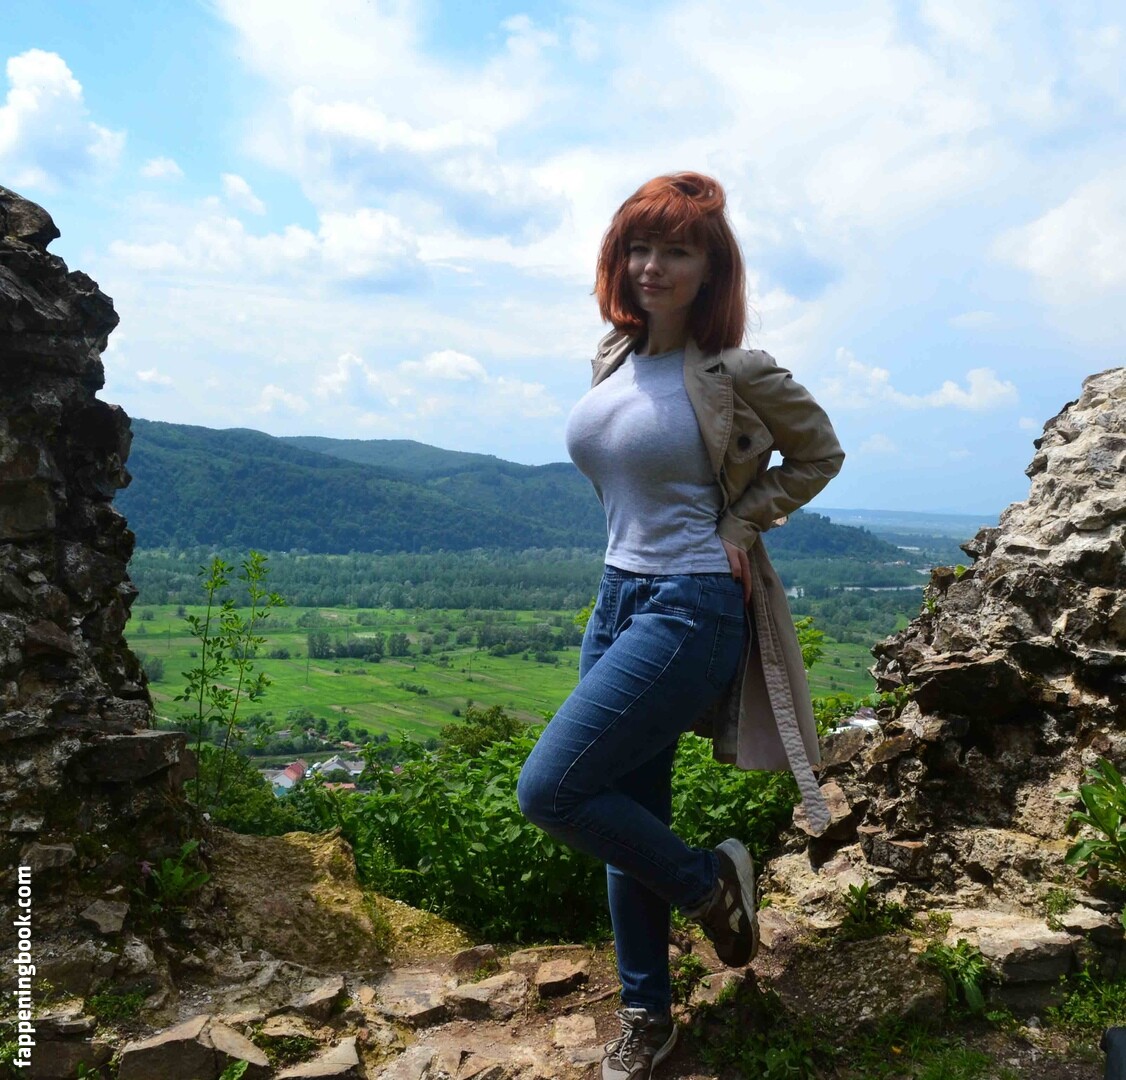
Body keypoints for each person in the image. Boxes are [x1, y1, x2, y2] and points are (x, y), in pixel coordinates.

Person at [516, 172, 844, 1080]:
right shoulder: (614, 356)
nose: (652, 266)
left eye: (677, 250)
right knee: (627, 811)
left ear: (711, 270)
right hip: (616, 598)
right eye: (639, 246)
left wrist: (740, 523)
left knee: (553, 790)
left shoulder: (735, 370)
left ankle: (709, 884)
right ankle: (647, 1016)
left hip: (692, 600)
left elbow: (819, 452)